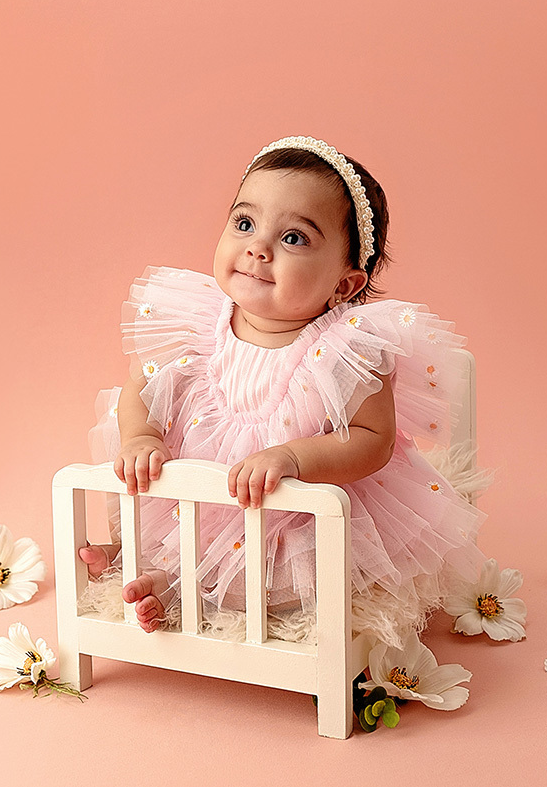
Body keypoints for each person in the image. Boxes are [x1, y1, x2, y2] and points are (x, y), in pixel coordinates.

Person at [80, 136, 486, 642]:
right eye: (244, 223)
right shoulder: (195, 324)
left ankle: (174, 586)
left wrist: (293, 457)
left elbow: (373, 439)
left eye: (293, 238)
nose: (258, 248)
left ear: (344, 285)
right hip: (199, 495)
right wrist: (142, 435)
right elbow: (142, 387)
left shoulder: (345, 351)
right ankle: (138, 559)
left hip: (290, 510)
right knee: (150, 499)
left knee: (290, 574)